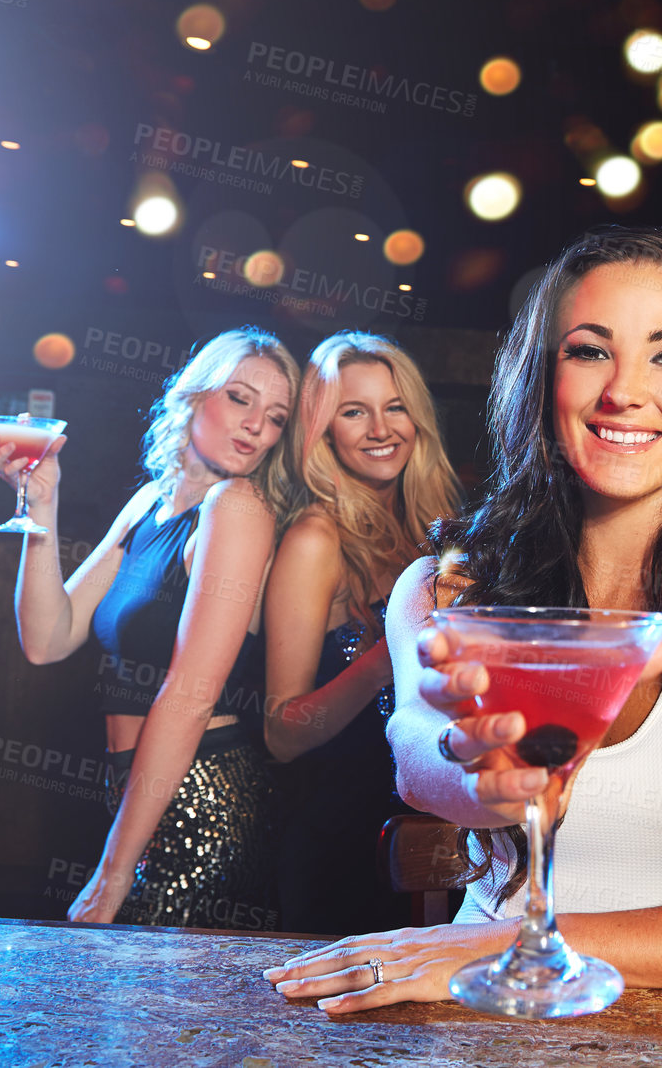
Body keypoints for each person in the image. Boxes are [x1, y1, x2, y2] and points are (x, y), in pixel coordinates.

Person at [262, 226, 662, 1011]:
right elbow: (415, 750)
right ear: (544, 379)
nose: (624, 391)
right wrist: (489, 780)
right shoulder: (447, 586)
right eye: (590, 350)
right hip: (477, 1002)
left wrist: (515, 940)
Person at [0, 327, 298, 928]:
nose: (257, 425)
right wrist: (40, 505)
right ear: (192, 395)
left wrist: (114, 868)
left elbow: (190, 693)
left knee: (162, 1016)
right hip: (137, 796)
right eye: (239, 398)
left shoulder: (236, 507)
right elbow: (48, 638)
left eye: (277, 416)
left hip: (200, 799)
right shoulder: (152, 500)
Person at [264, 331, 463, 935]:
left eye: (394, 407)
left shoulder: (434, 530)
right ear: (323, 430)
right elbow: (281, 734)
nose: (381, 429)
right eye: (354, 412)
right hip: (342, 841)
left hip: (430, 830)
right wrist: (392, 650)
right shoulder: (315, 540)